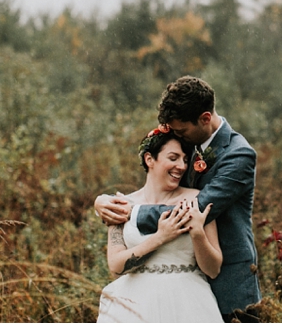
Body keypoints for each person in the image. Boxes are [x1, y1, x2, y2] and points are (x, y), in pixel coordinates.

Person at [96, 76, 261, 322]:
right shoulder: (188, 145)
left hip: (227, 278)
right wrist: (102, 202)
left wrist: (133, 212)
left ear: (205, 118)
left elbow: (199, 208)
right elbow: (160, 186)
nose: (182, 165)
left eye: (181, 131)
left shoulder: (239, 155)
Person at [97, 128, 223, 323]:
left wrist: (198, 233)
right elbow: (115, 267)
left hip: (189, 303)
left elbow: (213, 269)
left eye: (185, 160)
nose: (181, 166)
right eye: (173, 158)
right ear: (149, 159)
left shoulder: (197, 199)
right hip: (135, 305)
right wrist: (160, 238)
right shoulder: (121, 205)